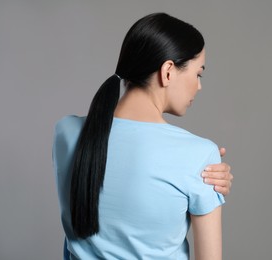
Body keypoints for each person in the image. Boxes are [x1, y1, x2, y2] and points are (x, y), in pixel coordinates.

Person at [52, 13, 233, 260]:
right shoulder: (200, 155)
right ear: (168, 71)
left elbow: (76, 241)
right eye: (198, 74)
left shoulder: (66, 133)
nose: (199, 86)